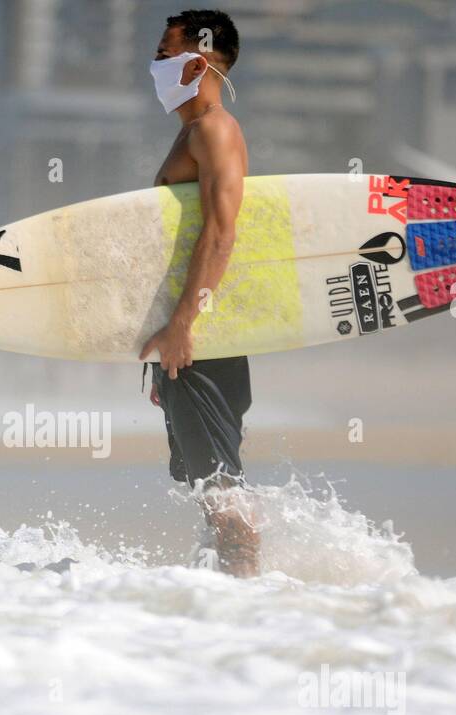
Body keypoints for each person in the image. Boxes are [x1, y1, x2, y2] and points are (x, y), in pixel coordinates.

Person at [138, 9, 259, 577]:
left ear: (201, 59)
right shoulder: (191, 131)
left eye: (166, 53)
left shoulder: (214, 129)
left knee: (220, 489)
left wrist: (184, 324)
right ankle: (223, 608)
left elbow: (221, 230)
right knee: (209, 487)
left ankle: (250, 601)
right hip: (191, 340)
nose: (156, 64)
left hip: (204, 339)